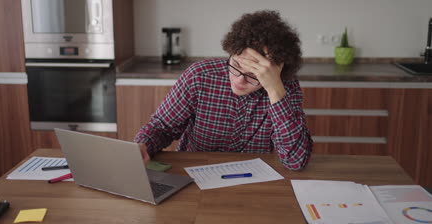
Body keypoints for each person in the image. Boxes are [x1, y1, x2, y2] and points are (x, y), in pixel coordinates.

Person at [134, 10, 313, 170]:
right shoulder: (200, 76)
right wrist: (143, 145)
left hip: (252, 181)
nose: (239, 80)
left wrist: (275, 91)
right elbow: (162, 127)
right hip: (195, 175)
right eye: (235, 65)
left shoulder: (283, 87)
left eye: (254, 75)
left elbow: (295, 161)